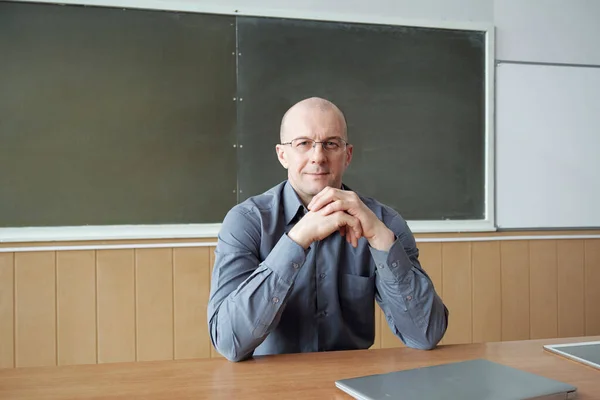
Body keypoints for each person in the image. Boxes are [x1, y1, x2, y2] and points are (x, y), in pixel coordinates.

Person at [207, 97, 448, 362]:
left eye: (331, 144)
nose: (318, 157)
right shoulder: (246, 222)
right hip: (270, 384)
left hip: (352, 382)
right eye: (303, 144)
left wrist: (381, 240)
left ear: (347, 155)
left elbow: (425, 334)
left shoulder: (384, 223)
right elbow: (228, 341)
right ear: (282, 155)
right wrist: (296, 241)